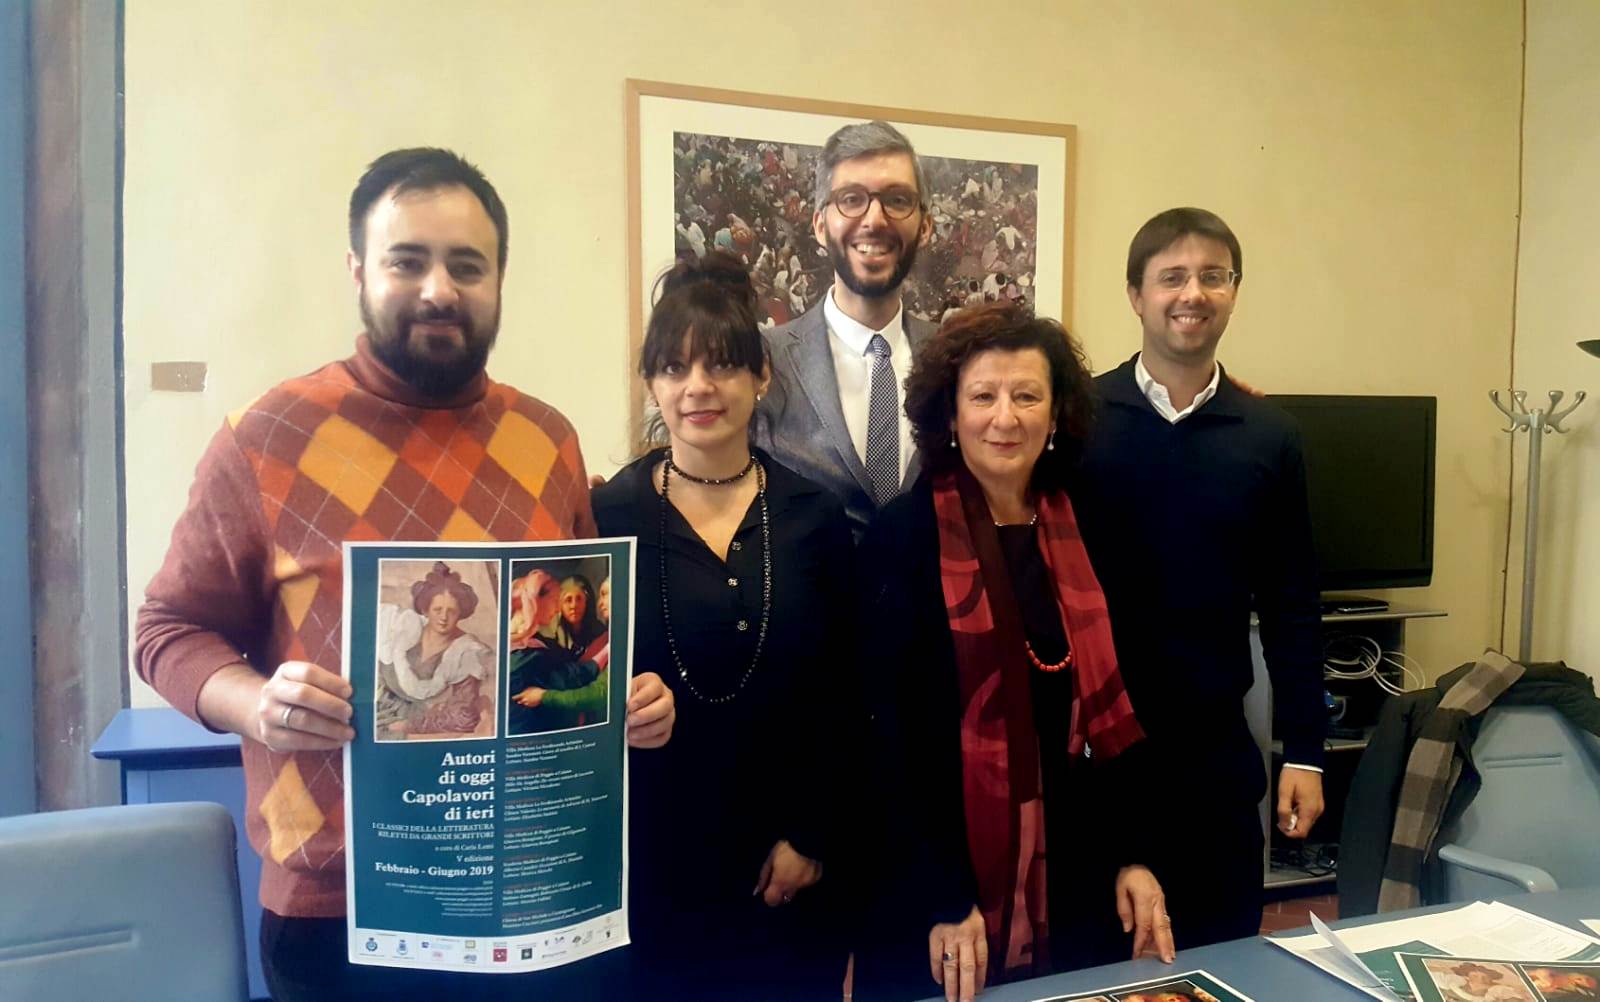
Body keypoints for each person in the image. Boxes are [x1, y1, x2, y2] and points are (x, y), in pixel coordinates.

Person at [133, 147, 676, 1000]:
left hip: (535, 896)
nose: (438, 290)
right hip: (340, 914)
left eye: (467, 266)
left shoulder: (548, 440)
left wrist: (623, 704)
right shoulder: (266, 437)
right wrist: (257, 704)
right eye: (407, 261)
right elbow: (167, 630)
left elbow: (567, 640)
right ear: (358, 269)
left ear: (500, 279)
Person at [855, 302, 1174, 1002]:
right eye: (983, 396)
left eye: (1027, 396)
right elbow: (887, 739)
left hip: (1079, 870)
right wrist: (944, 894)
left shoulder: (1098, 524)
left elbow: (1132, 705)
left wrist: (1134, 854)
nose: (1005, 417)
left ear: (1056, 414)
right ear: (950, 413)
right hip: (936, 887)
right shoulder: (901, 538)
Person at [591, 250, 855, 999]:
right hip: (651, 869)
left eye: (723, 365)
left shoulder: (814, 515)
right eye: (675, 368)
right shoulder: (606, 516)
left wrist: (813, 836)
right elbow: (571, 677)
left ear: (761, 375)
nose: (698, 387)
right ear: (652, 383)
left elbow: (846, 694)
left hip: (789, 868)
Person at [1069, 207, 1325, 949]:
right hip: (1096, 757)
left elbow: (1292, 605)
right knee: (1097, 973)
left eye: (1213, 276)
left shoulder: (1270, 435)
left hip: (1214, 757)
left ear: (1234, 291)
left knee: (1222, 963)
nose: (1193, 294)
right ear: (1136, 294)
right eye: (1172, 277)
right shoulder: (1078, 419)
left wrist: (1304, 751)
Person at [758, 120, 938, 539]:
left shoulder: (959, 360)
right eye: (852, 199)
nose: (875, 219)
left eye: (897, 200)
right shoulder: (763, 359)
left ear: (925, 226)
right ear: (821, 225)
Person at [375, 561, 495, 738]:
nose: (443, 617)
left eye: (451, 611)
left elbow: (463, 716)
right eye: (437, 610)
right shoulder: (402, 630)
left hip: (416, 724)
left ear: (461, 613)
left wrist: (410, 725)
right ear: (425, 610)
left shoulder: (466, 652)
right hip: (379, 709)